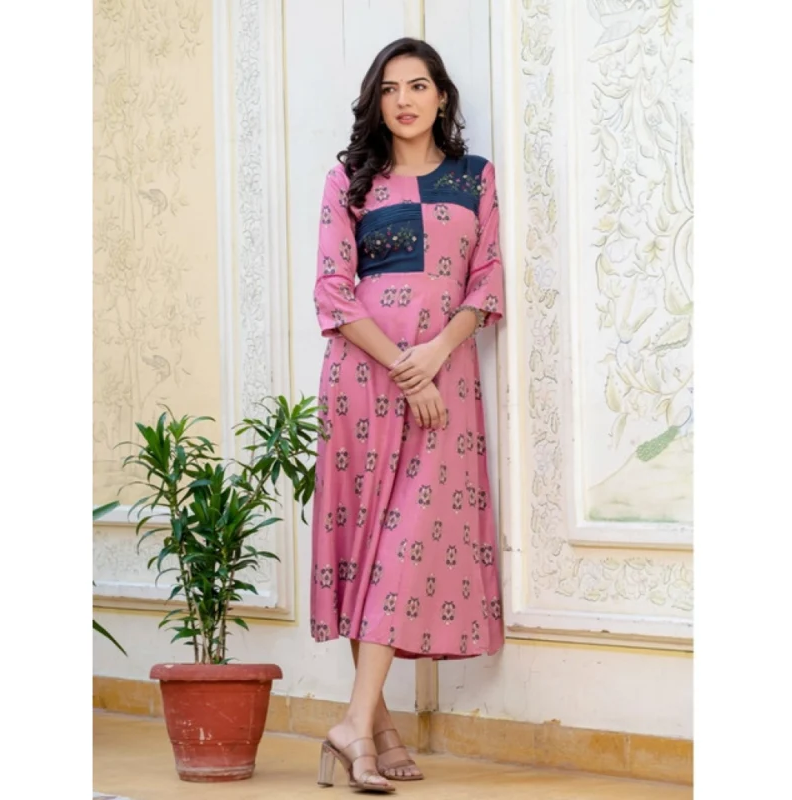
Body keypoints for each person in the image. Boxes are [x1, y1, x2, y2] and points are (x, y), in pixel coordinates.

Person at [310, 36, 505, 794]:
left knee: (405, 545)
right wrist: (402, 365)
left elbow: (486, 282)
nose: (404, 100)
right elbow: (333, 291)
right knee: (367, 549)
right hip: (364, 378)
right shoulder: (349, 181)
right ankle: (374, 729)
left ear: (442, 96)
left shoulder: (474, 178)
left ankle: (354, 725)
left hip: (443, 381)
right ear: (376, 101)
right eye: (389, 89)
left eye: (418, 86)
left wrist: (436, 354)